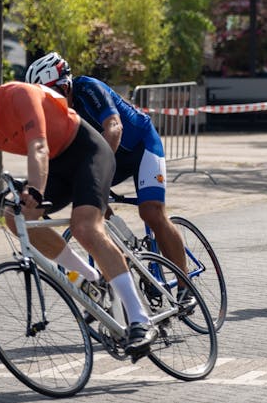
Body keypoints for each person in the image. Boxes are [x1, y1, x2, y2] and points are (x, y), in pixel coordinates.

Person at [0, 57, 157, 355]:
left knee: (84, 228)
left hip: (88, 151)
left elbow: (37, 147)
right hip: (56, 165)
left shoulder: (20, 95)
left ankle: (140, 320)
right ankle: (90, 280)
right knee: (14, 220)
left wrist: (36, 189)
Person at [25, 53, 188, 292]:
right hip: (110, 155)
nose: (48, 101)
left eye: (52, 94)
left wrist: (96, 171)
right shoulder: (53, 115)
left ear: (65, 85)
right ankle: (127, 255)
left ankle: (185, 287)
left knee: (151, 212)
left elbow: (114, 128)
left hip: (140, 147)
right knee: (90, 209)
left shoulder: (88, 88)